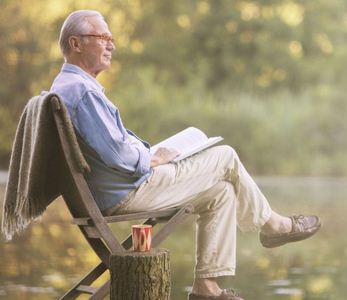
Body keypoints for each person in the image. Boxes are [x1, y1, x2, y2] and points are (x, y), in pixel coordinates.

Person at [50, 10, 321, 300]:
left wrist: (149, 152)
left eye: (110, 38)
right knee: (225, 156)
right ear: (76, 44)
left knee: (222, 190)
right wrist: (153, 158)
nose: (111, 45)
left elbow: (111, 148)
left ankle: (206, 288)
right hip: (126, 192)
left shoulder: (67, 86)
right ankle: (274, 226)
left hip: (116, 188)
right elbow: (118, 154)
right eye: (102, 37)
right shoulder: (83, 92)